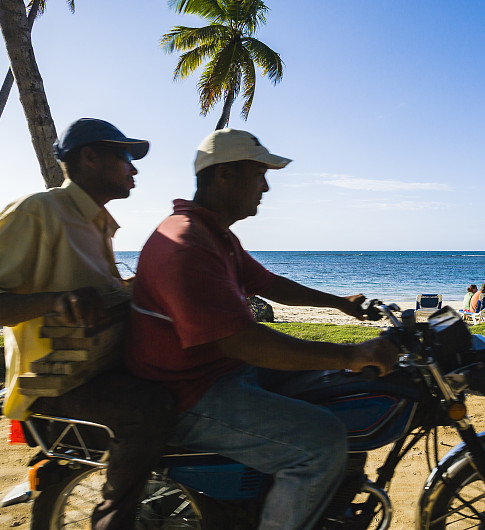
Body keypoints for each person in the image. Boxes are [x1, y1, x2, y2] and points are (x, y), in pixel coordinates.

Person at [125, 128, 400, 530]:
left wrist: (341, 304)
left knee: (334, 386)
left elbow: (271, 285)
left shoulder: (213, 234)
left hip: (219, 373)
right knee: (321, 442)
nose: (266, 187)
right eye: (259, 175)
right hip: (189, 394)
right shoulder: (187, 243)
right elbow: (242, 341)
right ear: (224, 176)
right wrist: (350, 354)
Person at [0, 118, 174, 530]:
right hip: (56, 384)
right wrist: (56, 301)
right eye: (125, 156)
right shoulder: (37, 211)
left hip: (98, 369)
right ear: (90, 157)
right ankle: (115, 521)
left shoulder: (97, 223)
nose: (134, 168)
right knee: (149, 409)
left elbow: (97, 298)